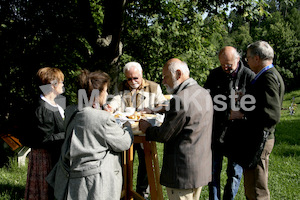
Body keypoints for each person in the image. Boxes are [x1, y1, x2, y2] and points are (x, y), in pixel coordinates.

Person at [46, 69, 133, 200]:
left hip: (70, 178)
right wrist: (128, 127)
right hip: (93, 185)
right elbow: (124, 142)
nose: (107, 93)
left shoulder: (71, 111)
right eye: (105, 90)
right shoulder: (101, 118)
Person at [139, 58, 213, 200]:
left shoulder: (180, 99)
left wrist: (147, 128)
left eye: (166, 77)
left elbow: (164, 135)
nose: (164, 82)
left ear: (178, 74)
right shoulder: (203, 93)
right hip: (200, 166)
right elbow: (190, 117)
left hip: (182, 172)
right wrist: (166, 109)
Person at [230, 41, 284, 200]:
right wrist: (246, 99)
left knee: (257, 188)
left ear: (257, 58)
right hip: (258, 138)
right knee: (252, 185)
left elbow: (272, 114)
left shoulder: (268, 78)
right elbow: (262, 103)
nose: (246, 62)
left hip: (259, 139)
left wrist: (242, 115)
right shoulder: (268, 75)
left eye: (247, 58)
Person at [107, 61, 166, 198]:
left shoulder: (153, 87)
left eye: (135, 78)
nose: (132, 81)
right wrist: (110, 107)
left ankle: (142, 191)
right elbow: (115, 100)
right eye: (129, 78)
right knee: (121, 160)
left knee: (145, 160)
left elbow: (164, 104)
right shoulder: (121, 86)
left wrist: (152, 109)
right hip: (124, 129)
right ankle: (122, 189)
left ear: (141, 75)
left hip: (143, 130)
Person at [204, 46, 255, 200]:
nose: (226, 68)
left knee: (234, 172)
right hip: (217, 130)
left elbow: (255, 105)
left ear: (238, 60)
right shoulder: (214, 75)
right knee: (213, 171)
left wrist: (242, 111)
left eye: (229, 65)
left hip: (239, 134)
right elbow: (207, 99)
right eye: (222, 64)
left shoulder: (249, 76)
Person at [24, 67, 66, 200]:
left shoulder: (58, 102)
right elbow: (45, 139)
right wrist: (68, 134)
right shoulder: (42, 108)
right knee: (46, 194)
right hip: (45, 157)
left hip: (55, 154)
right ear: (52, 85)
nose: (63, 84)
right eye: (61, 82)